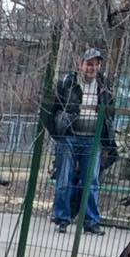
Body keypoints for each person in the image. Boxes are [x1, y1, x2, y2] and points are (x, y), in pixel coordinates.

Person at [44, 47, 115, 235]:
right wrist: (58, 133)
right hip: (69, 136)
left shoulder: (105, 86)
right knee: (64, 178)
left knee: (91, 181)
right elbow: (51, 111)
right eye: (89, 64)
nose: (92, 68)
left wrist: (106, 140)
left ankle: (91, 222)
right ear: (80, 64)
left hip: (93, 139)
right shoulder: (67, 83)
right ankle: (62, 218)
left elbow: (110, 113)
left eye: (96, 65)